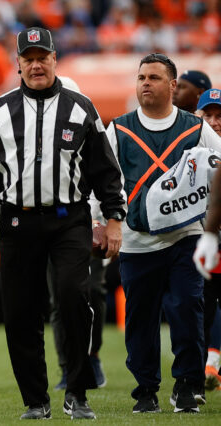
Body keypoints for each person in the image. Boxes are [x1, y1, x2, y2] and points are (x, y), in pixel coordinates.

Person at [0, 27, 125, 420]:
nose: (35, 64)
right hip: (18, 221)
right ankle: (35, 400)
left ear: (54, 60)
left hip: (70, 220)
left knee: (72, 299)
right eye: (28, 58)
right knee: (20, 312)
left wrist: (114, 219)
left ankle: (77, 392)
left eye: (42, 57)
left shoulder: (81, 107)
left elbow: (106, 170)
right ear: (18, 64)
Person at [107, 53, 221, 414]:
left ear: (172, 86)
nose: (145, 83)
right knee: (141, 317)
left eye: (154, 77)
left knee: (187, 308)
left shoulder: (196, 128)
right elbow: (103, 180)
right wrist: (102, 221)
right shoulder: (119, 129)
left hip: (184, 234)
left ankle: (187, 384)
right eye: (141, 77)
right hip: (137, 240)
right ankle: (145, 389)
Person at [49, 77, 108, 392]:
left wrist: (102, 219)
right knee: (60, 297)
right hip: (50, 223)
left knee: (92, 292)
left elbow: (106, 175)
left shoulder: (89, 128)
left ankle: (93, 354)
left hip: (87, 220)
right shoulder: (40, 130)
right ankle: (67, 366)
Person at [193, 88, 221, 392]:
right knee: (203, 311)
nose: (214, 122)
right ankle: (198, 376)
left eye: (219, 116)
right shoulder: (192, 153)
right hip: (207, 240)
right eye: (208, 115)